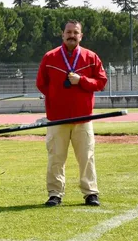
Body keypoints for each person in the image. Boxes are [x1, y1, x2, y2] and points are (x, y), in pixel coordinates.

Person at [36, 20, 107, 207]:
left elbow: (101, 82)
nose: (72, 35)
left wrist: (81, 80)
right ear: (62, 34)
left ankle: (90, 193)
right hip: (57, 119)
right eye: (69, 32)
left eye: (76, 32)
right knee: (55, 158)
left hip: (83, 118)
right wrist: (55, 97)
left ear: (81, 36)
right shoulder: (50, 57)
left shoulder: (91, 57)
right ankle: (55, 193)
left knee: (86, 157)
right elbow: (41, 83)